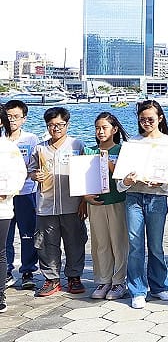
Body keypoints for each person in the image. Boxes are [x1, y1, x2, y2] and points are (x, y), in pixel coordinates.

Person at [117, 100, 168, 309]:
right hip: (134, 197)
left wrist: (163, 182)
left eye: (150, 119)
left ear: (160, 119)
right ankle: (137, 289)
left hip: (157, 198)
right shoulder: (132, 143)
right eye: (142, 119)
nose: (146, 123)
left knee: (155, 245)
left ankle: (160, 286)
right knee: (135, 244)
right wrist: (127, 181)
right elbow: (120, 183)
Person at [31, 107, 87, 297]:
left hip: (72, 204)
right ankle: (51, 279)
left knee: (75, 241)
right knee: (46, 243)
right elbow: (30, 170)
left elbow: (87, 174)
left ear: (67, 124)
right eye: (51, 125)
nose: (56, 128)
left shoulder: (77, 145)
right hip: (46, 205)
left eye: (60, 124)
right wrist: (34, 175)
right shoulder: (39, 148)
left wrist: (84, 201)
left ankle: (74, 276)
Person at [84, 112, 129, 301]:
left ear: (115, 129)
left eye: (104, 127)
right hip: (96, 203)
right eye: (97, 128)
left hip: (117, 200)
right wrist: (85, 196)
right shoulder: (89, 151)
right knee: (100, 243)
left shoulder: (122, 150)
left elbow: (126, 179)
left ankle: (119, 281)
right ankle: (103, 280)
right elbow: (81, 178)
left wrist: (110, 165)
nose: (100, 131)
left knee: (119, 243)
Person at [3, 100, 39, 290]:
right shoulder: (1, 139)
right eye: (8, 116)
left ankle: (28, 271)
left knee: (27, 234)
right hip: (4, 196)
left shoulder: (31, 139)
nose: (12, 120)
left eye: (16, 116)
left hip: (26, 192)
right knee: (5, 235)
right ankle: (6, 271)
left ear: (24, 118)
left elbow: (35, 165)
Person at [0, 104, 29, 312]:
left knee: (0, 252)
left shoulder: (9, 147)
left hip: (1, 207)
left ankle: (0, 295)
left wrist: (5, 192)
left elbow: (19, 174)